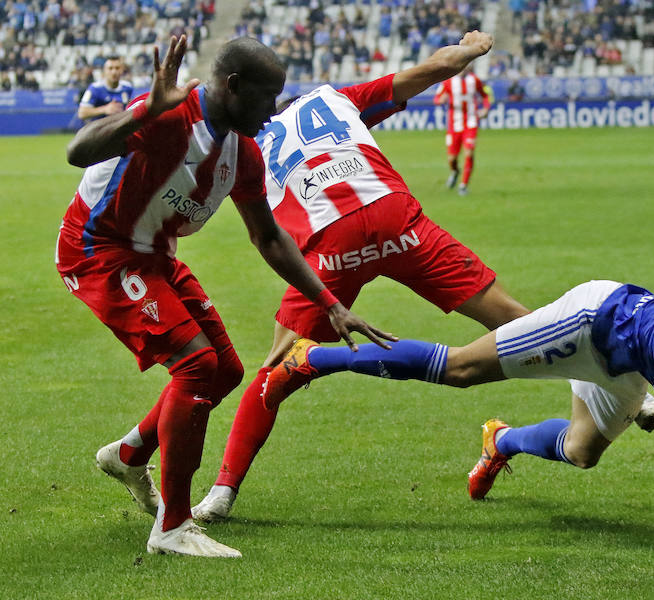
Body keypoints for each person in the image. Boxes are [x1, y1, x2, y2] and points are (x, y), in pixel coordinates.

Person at [57, 35, 391, 558]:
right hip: (98, 250)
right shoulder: (169, 117)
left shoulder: (242, 153)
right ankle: (172, 526)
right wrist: (142, 115)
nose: (273, 109)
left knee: (226, 371)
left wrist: (330, 304)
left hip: (153, 254)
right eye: (266, 97)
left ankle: (129, 454)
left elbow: (270, 237)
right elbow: (78, 152)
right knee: (194, 365)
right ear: (233, 86)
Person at [191, 30, 531, 523]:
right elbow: (430, 70)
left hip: (330, 245)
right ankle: (632, 394)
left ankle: (222, 492)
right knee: (517, 321)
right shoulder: (335, 99)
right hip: (395, 218)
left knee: (276, 369)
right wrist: (472, 47)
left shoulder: (246, 141)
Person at [262, 280, 654, 549]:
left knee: (582, 452)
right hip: (592, 321)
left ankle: (502, 442)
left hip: (630, 360)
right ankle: (317, 356)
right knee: (463, 368)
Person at [433, 65, 491, 195]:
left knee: (469, 153)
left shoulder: (474, 80)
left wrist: (486, 108)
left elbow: (484, 96)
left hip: (471, 122)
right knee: (452, 159)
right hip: (454, 125)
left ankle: (463, 185)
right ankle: (455, 172)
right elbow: (437, 98)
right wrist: (440, 100)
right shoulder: (448, 82)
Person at [77, 55, 134, 123]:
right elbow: (82, 113)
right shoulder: (95, 88)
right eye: (110, 68)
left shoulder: (128, 87)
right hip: (99, 131)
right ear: (104, 71)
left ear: (122, 70)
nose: (114, 72)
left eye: (117, 68)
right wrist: (104, 109)